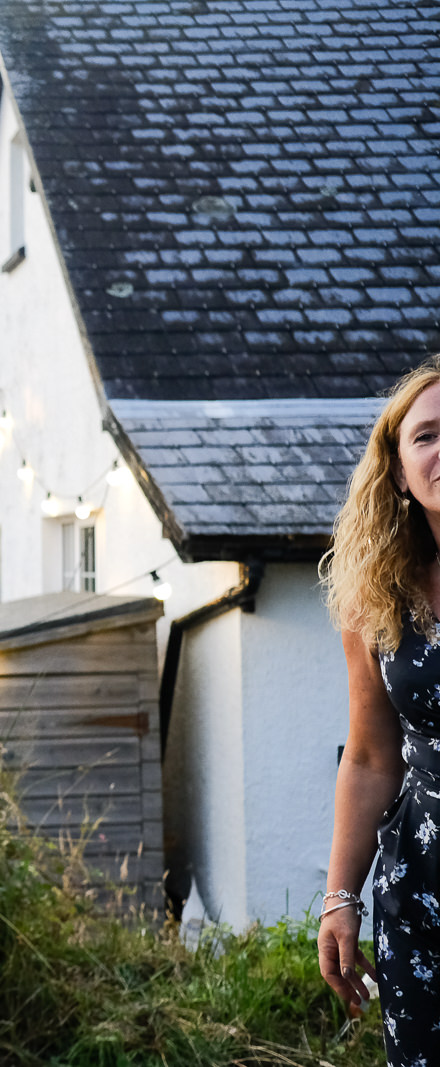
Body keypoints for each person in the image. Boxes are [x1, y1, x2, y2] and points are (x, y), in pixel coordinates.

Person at [321, 356, 440, 1065]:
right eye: (425, 436)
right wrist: (342, 895)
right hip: (423, 885)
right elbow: (369, 755)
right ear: (398, 471)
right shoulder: (377, 597)